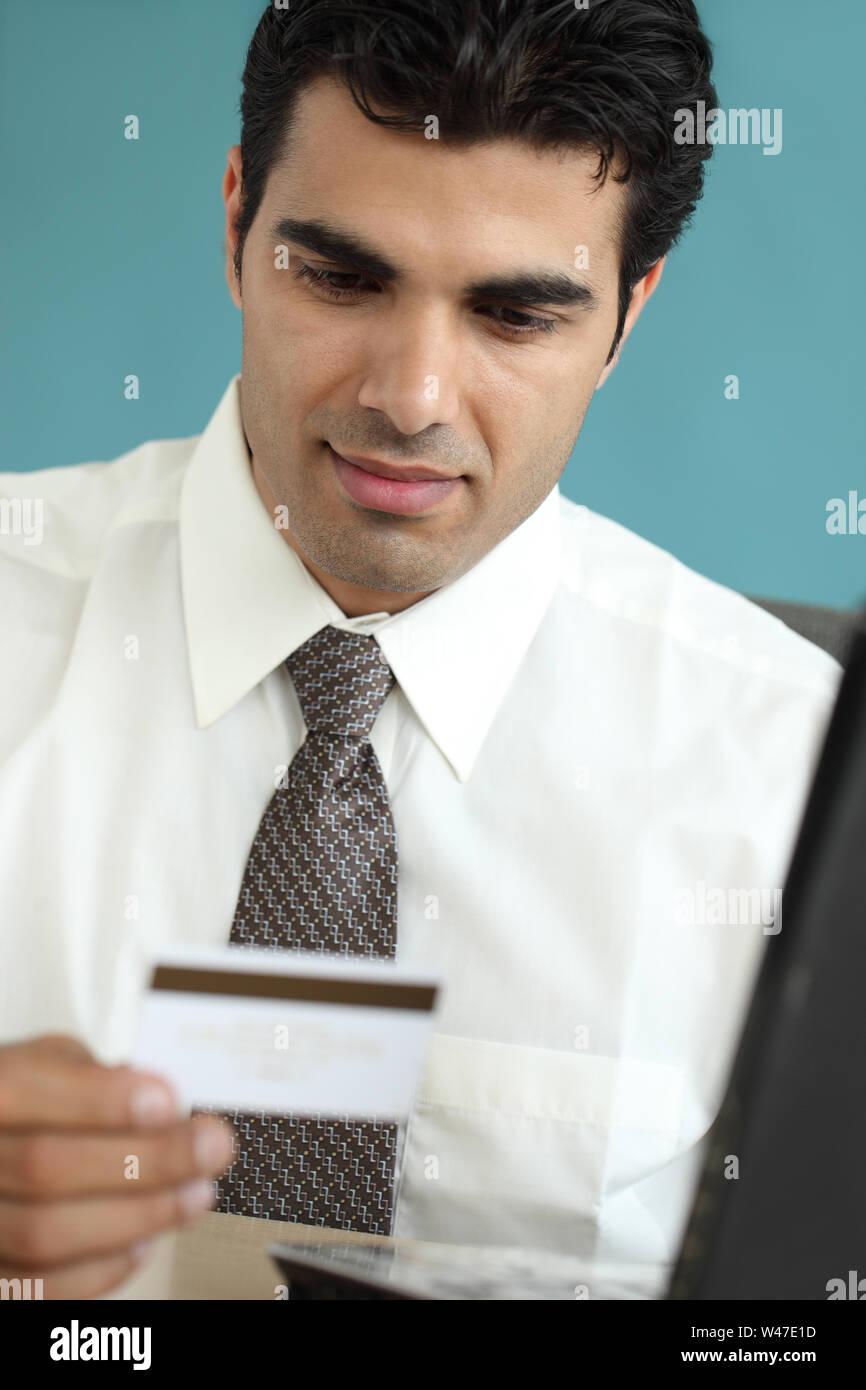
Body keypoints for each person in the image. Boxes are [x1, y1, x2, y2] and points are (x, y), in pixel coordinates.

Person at [0, 0, 842, 1300]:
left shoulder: (800, 782)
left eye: (515, 315)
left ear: (626, 315)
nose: (410, 396)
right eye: (340, 277)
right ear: (235, 224)